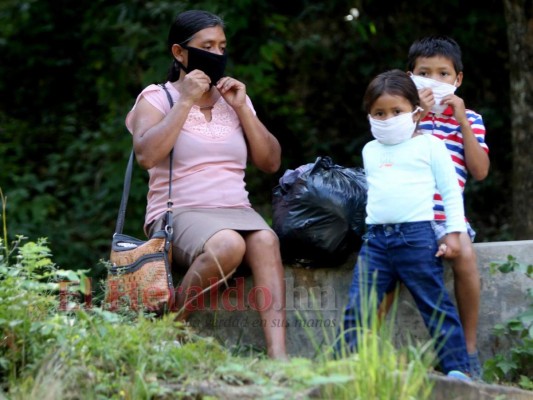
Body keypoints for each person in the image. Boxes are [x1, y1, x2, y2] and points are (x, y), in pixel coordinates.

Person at [125, 10, 287, 360]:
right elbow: (146, 156)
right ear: (180, 53)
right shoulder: (156, 98)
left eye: (222, 46)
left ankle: (280, 358)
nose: (216, 54)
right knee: (228, 244)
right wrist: (185, 100)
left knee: (266, 239)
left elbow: (270, 162)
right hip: (178, 211)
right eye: (206, 46)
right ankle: (168, 328)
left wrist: (242, 108)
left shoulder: (233, 99)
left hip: (235, 209)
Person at [338, 69, 471, 380]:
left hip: (418, 238)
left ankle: (458, 369)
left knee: (435, 306)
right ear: (369, 115)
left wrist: (454, 235)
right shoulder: (370, 150)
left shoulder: (430, 145)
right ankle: (343, 366)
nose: (387, 119)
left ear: (415, 112)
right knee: (359, 306)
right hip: (375, 242)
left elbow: (451, 191)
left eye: (396, 111)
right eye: (379, 113)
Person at [407, 35, 490, 379]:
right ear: (409, 76)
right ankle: (368, 351)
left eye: (443, 74)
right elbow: (395, 157)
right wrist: (414, 116)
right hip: (409, 214)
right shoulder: (403, 116)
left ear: (458, 80)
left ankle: (467, 351)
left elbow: (480, 170)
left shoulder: (471, 118)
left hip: (449, 218)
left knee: (466, 258)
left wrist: (463, 123)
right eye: (425, 73)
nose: (435, 81)